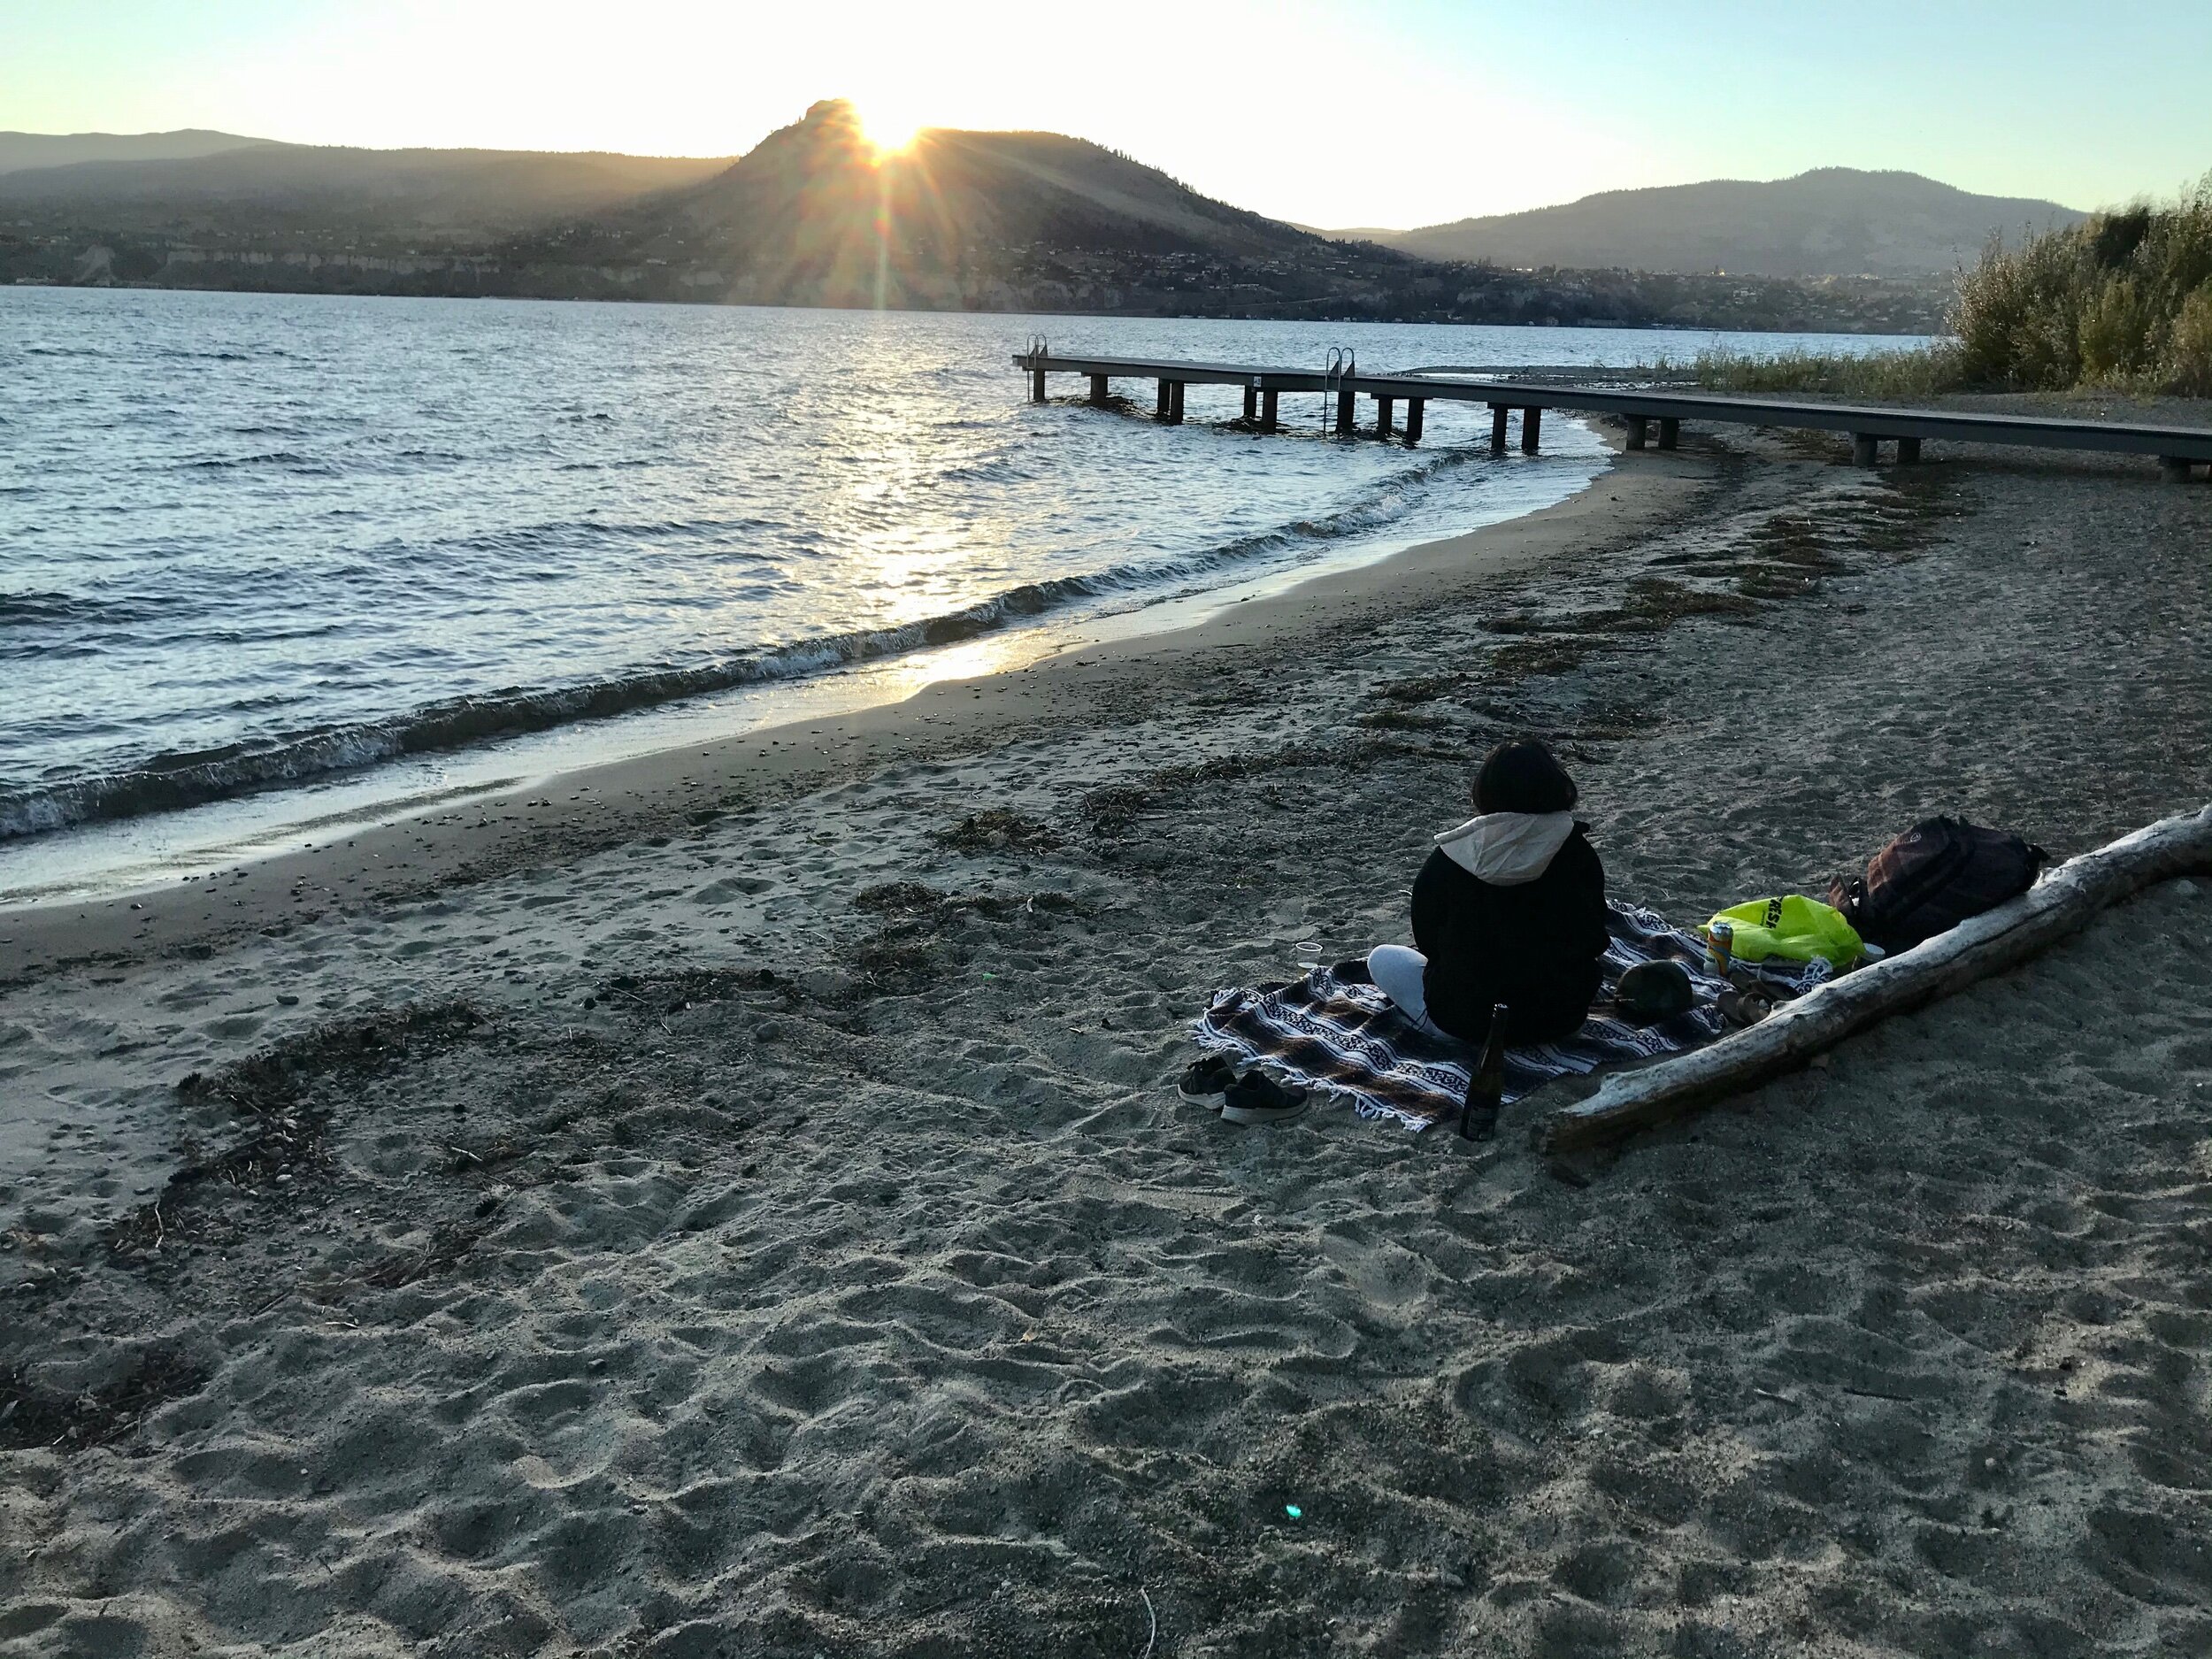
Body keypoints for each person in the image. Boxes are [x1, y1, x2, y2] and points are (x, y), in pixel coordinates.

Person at [1364, 738, 1609, 1046]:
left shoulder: (1453, 856)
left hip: (1465, 1023)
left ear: (1485, 793)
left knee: (1381, 958)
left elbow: (1428, 941)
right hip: (1561, 1021)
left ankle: (1441, 1027)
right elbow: (1594, 935)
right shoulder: (1577, 851)